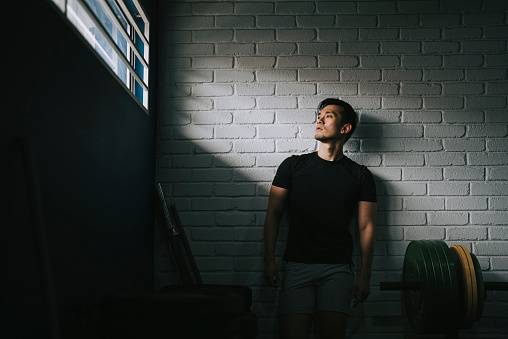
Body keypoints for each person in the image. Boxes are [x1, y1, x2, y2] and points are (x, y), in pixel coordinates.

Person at [263, 98, 377, 339]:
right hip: (296, 266)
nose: (319, 119)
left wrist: (365, 275)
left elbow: (366, 227)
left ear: (345, 129)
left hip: (337, 269)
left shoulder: (360, 175)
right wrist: (269, 258)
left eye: (329, 115)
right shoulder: (292, 166)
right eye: (319, 115)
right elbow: (273, 214)